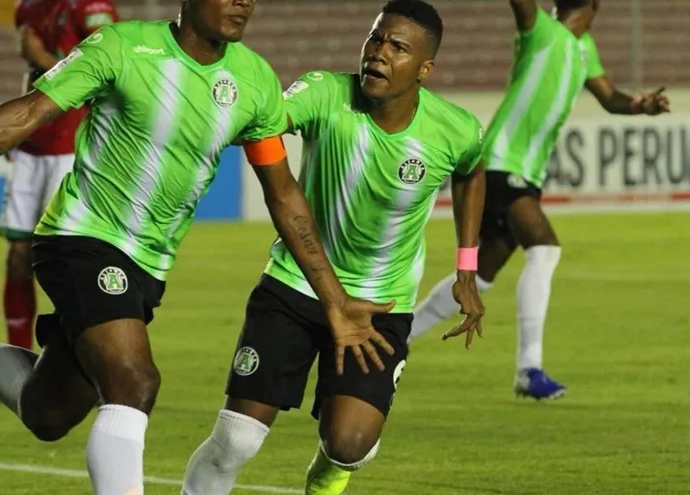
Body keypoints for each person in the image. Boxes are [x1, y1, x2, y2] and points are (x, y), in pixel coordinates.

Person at [0, 1, 397, 493]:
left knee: (48, 411)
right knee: (134, 381)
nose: (243, 2)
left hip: (148, 264)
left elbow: (284, 195)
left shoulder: (255, 82)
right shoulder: (123, 47)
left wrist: (333, 298)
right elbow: (28, 113)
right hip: (80, 237)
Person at [182, 1, 486, 494]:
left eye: (398, 47)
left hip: (379, 305)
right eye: (376, 39)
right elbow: (266, 121)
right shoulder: (324, 92)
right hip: (295, 286)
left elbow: (472, 171)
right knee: (236, 438)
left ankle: (331, 468)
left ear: (424, 69)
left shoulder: (454, 130)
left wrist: (466, 269)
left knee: (350, 443)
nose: (379, 54)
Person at [409, 0, 670, 400]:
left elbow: (608, 96)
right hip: (498, 162)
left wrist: (640, 105)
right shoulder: (540, 31)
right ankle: (529, 368)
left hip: (525, 172)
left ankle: (397, 336)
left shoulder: (585, 49)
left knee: (481, 275)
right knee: (545, 248)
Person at [1, 0, 119, 350]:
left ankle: (75, 353)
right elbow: (31, 76)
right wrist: (18, 127)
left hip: (72, 147)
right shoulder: (29, 8)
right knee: (18, 252)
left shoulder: (92, 7)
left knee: (66, 257)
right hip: (31, 148)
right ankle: (18, 357)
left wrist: (41, 58)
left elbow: (105, 76)